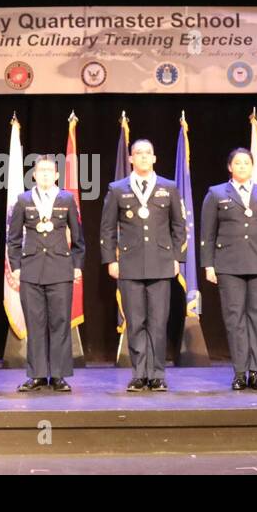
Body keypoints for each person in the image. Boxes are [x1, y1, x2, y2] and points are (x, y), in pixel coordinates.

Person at [100, 139, 187, 392]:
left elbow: (179, 227)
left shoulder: (168, 187)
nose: (143, 157)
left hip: (161, 264)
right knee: (136, 321)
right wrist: (111, 260)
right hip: (130, 264)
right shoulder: (117, 189)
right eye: (138, 154)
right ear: (130, 159)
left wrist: (176, 259)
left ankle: (157, 374)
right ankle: (139, 373)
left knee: (158, 322)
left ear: (155, 158)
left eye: (148, 153)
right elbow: (107, 229)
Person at [201, 148, 257, 391]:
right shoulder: (216, 193)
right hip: (228, 264)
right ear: (230, 167)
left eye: (247, 162)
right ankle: (239, 371)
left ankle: (255, 372)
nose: (242, 166)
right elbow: (207, 233)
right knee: (234, 318)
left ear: (252, 166)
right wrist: (208, 264)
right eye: (238, 163)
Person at [8, 156, 84, 393]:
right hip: (31, 271)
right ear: (33, 175)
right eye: (40, 170)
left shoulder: (67, 199)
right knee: (35, 323)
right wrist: (17, 266)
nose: (44, 174)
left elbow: (79, 239)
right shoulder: (23, 200)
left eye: (49, 171)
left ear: (57, 175)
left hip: (60, 270)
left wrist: (77, 265)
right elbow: (13, 240)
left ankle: (59, 375)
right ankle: (37, 375)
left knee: (60, 323)